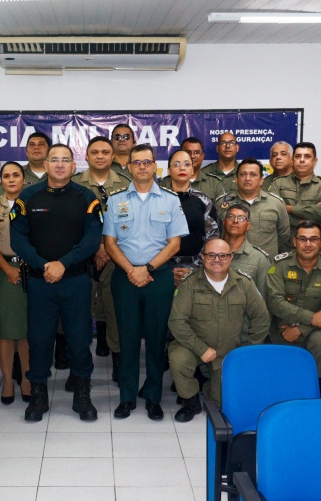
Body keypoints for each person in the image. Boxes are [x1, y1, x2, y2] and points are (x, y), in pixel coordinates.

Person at [11, 143, 103, 422]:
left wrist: (63, 263)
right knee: (39, 340)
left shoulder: (87, 198)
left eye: (65, 160)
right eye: (54, 160)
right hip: (40, 282)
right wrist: (44, 265)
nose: (60, 164)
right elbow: (18, 239)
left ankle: (82, 392)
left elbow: (92, 239)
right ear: (46, 165)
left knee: (79, 338)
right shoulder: (28, 197)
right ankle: (38, 395)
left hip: (76, 280)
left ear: (74, 167)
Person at [104, 144, 189, 420]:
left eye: (147, 162)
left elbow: (175, 243)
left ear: (155, 166)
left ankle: (153, 397)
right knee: (127, 339)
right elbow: (110, 242)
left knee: (155, 339)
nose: (142, 167)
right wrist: (132, 270)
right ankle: (127, 397)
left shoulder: (170, 200)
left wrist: (148, 268)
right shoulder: (116, 200)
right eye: (136, 162)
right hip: (125, 276)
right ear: (129, 167)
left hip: (159, 277)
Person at [168, 237, 269, 418]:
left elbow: (261, 318)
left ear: (231, 257)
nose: (217, 260)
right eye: (211, 255)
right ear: (203, 257)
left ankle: (207, 387)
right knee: (178, 359)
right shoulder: (189, 283)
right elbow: (177, 321)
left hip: (229, 350)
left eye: (222, 255)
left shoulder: (244, 283)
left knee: (222, 404)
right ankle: (190, 401)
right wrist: (201, 349)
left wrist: (247, 350)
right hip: (193, 346)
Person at [72, 135, 131, 380]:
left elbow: (131, 222)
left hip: (117, 258)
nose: (100, 156)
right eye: (94, 152)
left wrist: (107, 248)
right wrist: (94, 247)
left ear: (112, 156)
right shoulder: (74, 184)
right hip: (80, 259)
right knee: (77, 314)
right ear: (86, 156)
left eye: (105, 152)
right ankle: (78, 369)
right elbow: (69, 222)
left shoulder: (126, 184)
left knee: (116, 312)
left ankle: (118, 362)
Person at [267, 220, 321, 394]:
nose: (308, 244)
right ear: (295, 242)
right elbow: (275, 302)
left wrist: (300, 329)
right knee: (282, 381)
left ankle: (317, 389)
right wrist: (310, 318)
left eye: (313, 239)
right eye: (302, 239)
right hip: (282, 328)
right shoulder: (279, 264)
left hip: (319, 329)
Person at [0, 162, 31, 403]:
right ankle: (6, 381)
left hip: (30, 271)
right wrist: (5, 268)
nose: (11, 179)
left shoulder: (34, 202)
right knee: (5, 330)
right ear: (1, 180)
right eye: (6, 176)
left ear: (24, 179)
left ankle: (26, 379)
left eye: (16, 175)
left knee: (27, 330)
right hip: (5, 272)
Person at [164, 150, 220, 286]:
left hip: (197, 268)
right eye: (176, 164)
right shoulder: (158, 199)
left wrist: (194, 267)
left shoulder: (203, 200)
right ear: (168, 170)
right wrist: (163, 267)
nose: (182, 168)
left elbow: (212, 237)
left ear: (192, 170)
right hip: (162, 268)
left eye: (186, 164)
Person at [215, 158, 290, 258]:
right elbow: (216, 233)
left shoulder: (275, 203)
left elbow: (283, 235)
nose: (247, 178)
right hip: (231, 262)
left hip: (265, 263)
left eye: (253, 174)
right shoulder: (222, 202)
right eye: (243, 174)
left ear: (261, 180)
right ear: (236, 180)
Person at [269, 142, 321, 246]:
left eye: (307, 156)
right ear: (292, 160)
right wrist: (304, 221)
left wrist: (289, 209)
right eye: (298, 156)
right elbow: (273, 212)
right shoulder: (278, 183)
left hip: (312, 247)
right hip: (283, 246)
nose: (302, 160)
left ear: (315, 161)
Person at [222, 203, 270, 297]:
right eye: (231, 217)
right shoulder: (210, 253)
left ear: (248, 226)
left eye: (241, 218)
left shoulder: (259, 259)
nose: (235, 221)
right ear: (224, 222)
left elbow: (263, 297)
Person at [166, 137, 225, 201]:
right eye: (188, 152)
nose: (192, 156)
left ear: (202, 156)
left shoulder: (214, 183)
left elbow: (221, 207)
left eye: (196, 152)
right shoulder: (164, 183)